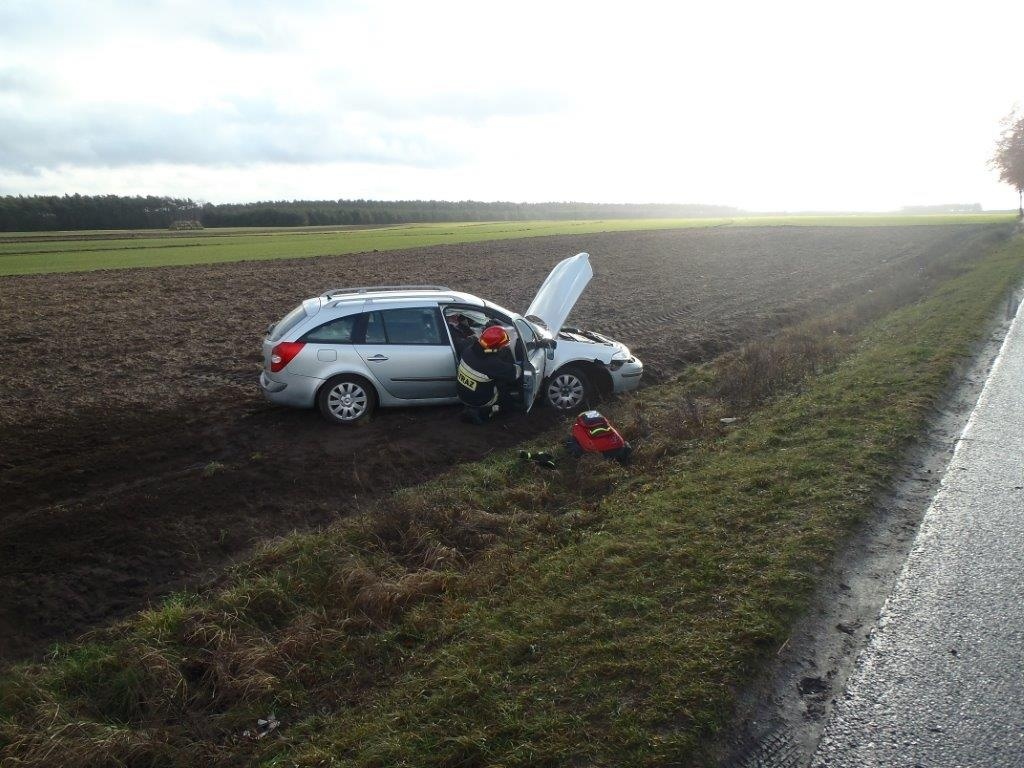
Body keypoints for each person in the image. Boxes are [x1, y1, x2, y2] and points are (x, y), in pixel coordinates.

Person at [456, 324, 522, 424]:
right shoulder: (493, 364)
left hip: (462, 395)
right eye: (502, 345)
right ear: (495, 347)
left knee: (491, 378)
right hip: (480, 401)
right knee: (502, 385)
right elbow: (516, 373)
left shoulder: (469, 350)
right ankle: (495, 409)